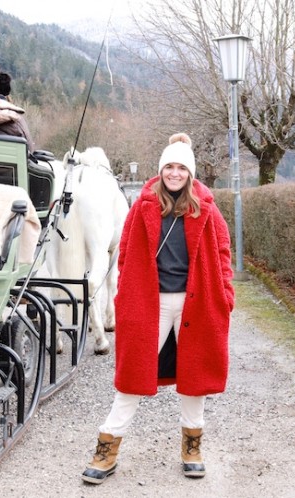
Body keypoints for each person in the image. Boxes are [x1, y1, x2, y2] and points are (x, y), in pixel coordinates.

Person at [81, 132, 234, 484]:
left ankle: (192, 447)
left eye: (182, 167)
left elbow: (223, 253)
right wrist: (125, 299)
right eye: (170, 167)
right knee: (132, 376)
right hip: (152, 303)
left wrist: (225, 295)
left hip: (197, 302)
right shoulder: (144, 206)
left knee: (195, 379)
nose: (175, 173)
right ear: (161, 170)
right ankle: (107, 448)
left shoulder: (206, 208)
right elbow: (127, 255)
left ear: (190, 174)